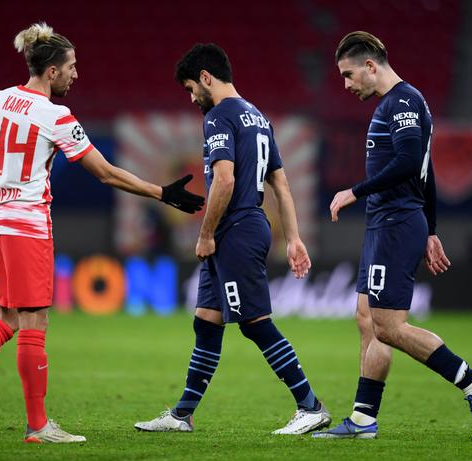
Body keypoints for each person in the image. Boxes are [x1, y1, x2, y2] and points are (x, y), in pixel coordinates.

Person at [0, 22, 204, 444]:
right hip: (28, 226)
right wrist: (161, 193)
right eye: (72, 67)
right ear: (51, 72)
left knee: (7, 318)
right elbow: (105, 173)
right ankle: (38, 426)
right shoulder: (54, 115)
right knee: (34, 321)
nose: (76, 74)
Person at [311, 31, 472, 441]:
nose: (345, 84)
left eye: (348, 74)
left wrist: (354, 190)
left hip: (396, 223)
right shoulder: (393, 105)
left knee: (388, 325)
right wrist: (431, 230)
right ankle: (363, 420)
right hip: (388, 221)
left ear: (371, 66)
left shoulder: (403, 102)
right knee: (367, 319)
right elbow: (425, 173)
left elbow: (411, 161)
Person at [134, 43, 330, 435]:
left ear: (206, 78)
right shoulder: (257, 117)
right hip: (248, 223)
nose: (192, 98)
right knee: (207, 322)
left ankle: (310, 406)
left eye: (191, 88)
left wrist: (205, 234)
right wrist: (293, 237)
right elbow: (282, 185)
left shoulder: (220, 116)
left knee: (255, 323)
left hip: (235, 229)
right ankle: (182, 415)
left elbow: (224, 178)